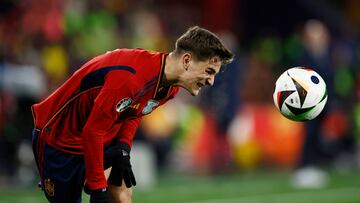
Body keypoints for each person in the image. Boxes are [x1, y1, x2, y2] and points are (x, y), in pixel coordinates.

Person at [31, 26, 234, 203]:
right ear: (187, 60)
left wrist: (123, 148)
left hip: (95, 133)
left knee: (122, 194)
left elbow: (136, 110)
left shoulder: (169, 86)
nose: (211, 82)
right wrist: (98, 189)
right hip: (57, 137)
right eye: (209, 71)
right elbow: (92, 132)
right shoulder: (130, 78)